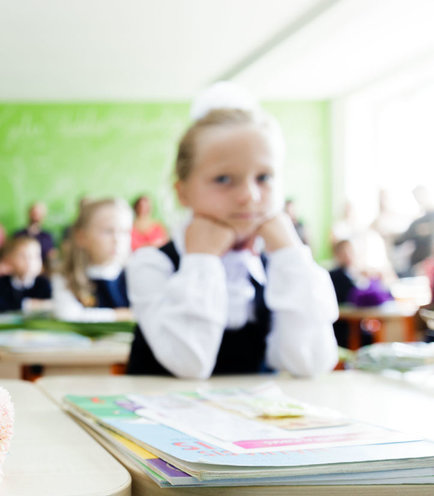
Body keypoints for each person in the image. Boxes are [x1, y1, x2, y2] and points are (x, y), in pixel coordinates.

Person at [125, 105, 338, 379]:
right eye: (223, 179)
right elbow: (189, 364)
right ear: (183, 192)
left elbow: (310, 363)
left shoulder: (276, 267)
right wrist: (201, 259)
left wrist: (290, 254)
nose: (249, 196)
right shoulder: (152, 264)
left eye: (264, 177)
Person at [52, 198, 133, 322]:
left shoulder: (134, 274)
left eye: (124, 231)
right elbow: (68, 316)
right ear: (81, 237)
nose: (117, 240)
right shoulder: (66, 276)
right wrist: (120, 315)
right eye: (108, 231)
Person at [0, 236, 52, 314]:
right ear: (10, 260)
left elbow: (50, 306)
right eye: (23, 256)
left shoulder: (44, 283)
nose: (29, 262)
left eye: (35, 256)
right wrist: (28, 304)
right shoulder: (0, 283)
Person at [13, 201, 56, 268]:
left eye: (39, 214)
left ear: (43, 216)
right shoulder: (18, 235)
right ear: (29, 213)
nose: (35, 217)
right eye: (34, 213)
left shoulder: (48, 237)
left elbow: (51, 256)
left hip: (43, 270)